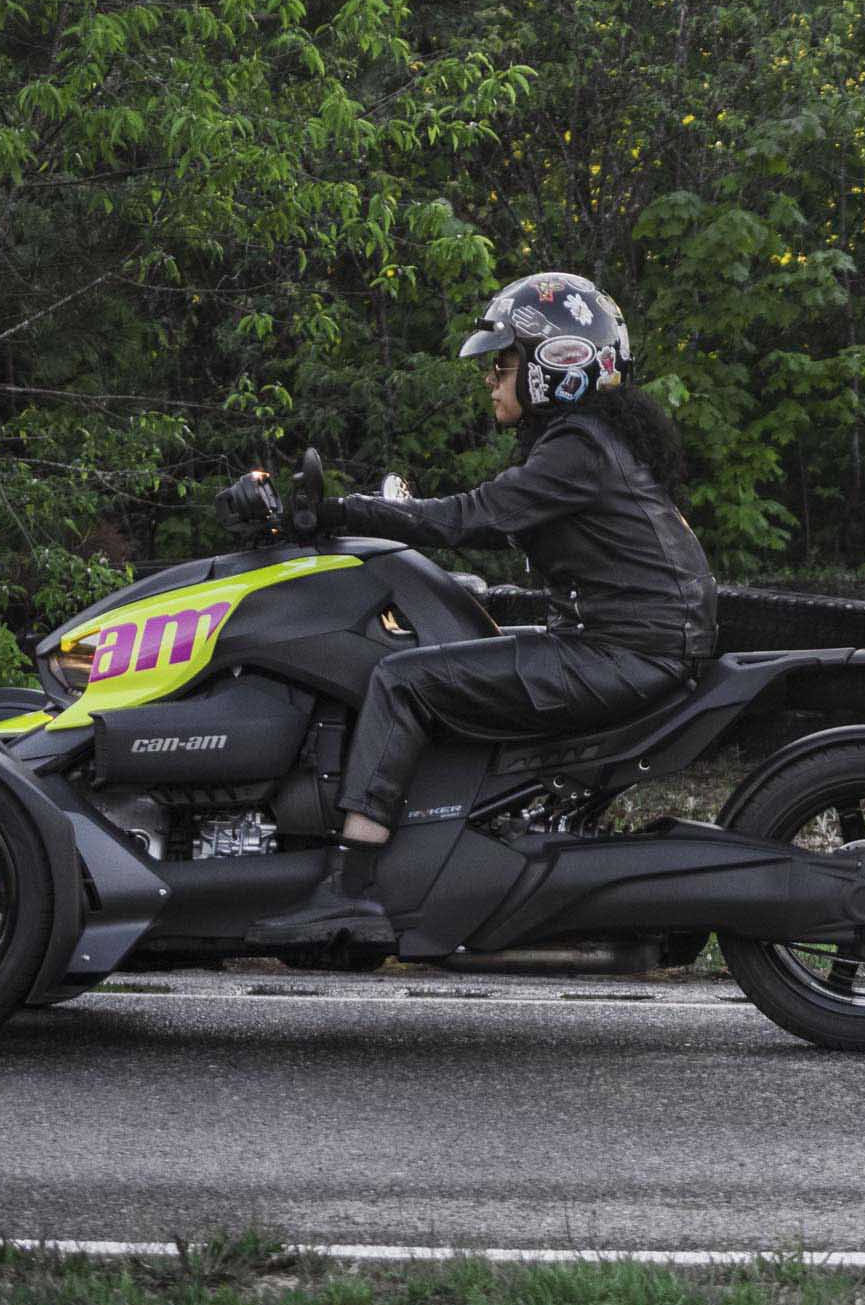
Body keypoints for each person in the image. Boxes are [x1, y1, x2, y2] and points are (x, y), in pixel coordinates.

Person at [234, 272, 716, 946]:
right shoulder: (588, 443)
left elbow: (471, 515)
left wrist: (344, 511)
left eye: (504, 363)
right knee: (452, 643)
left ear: (558, 365)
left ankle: (349, 889)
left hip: (628, 653)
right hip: (629, 641)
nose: (491, 379)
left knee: (403, 682)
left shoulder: (576, 449)